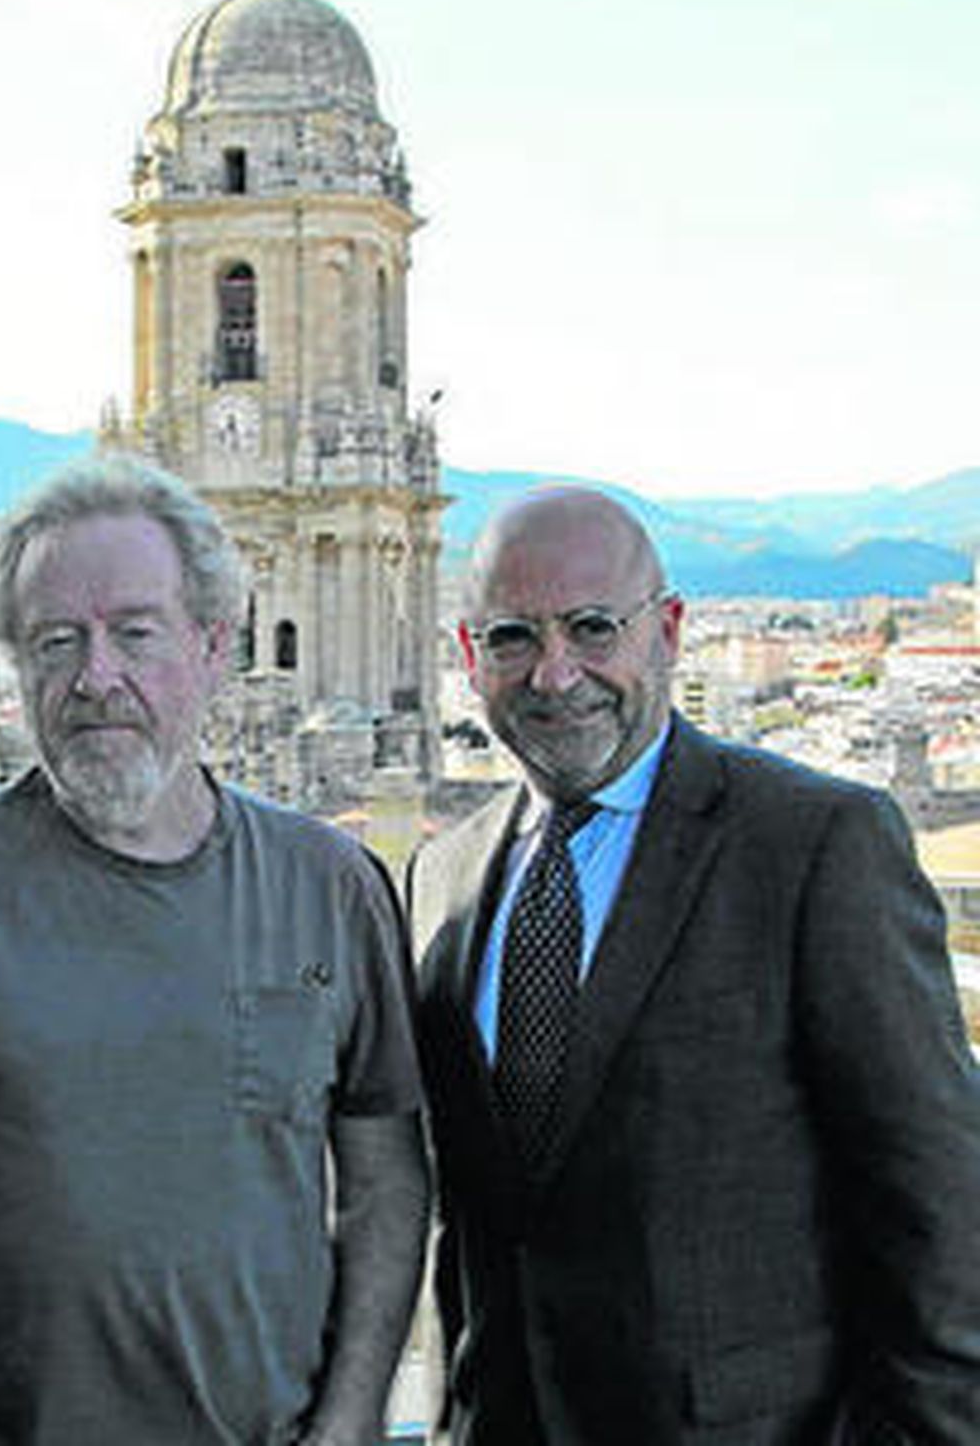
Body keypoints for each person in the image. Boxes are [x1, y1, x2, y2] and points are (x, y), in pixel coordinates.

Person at [0, 459, 431, 1446]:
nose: (95, 677)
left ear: (214, 646)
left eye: (135, 632)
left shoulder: (330, 885)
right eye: (56, 641)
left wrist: (348, 1424)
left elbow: (385, 1183)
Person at [406, 484, 980, 1444]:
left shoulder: (814, 845)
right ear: (469, 655)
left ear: (667, 631)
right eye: (512, 638)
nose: (555, 674)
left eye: (593, 628)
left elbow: (946, 1211)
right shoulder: (441, 879)